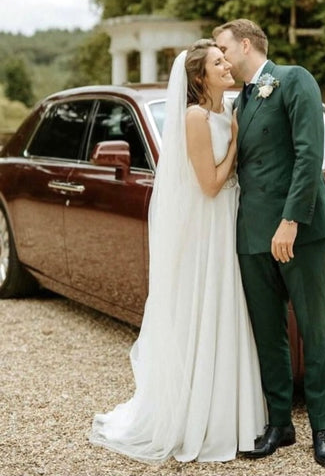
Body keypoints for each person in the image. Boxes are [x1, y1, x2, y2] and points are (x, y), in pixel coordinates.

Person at [89, 39, 266, 463]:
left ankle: (233, 414)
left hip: (229, 221)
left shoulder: (229, 108)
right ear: (200, 77)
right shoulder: (195, 117)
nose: (227, 66)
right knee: (208, 307)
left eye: (226, 60)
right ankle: (199, 418)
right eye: (218, 63)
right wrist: (238, 144)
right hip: (209, 225)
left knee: (228, 310)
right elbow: (209, 184)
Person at [213, 19, 325, 468]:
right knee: (268, 334)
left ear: (246, 44)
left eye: (223, 48)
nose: (221, 56)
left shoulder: (292, 79)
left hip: (300, 231)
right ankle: (280, 424)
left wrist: (290, 221)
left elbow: (309, 153)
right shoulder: (239, 102)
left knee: (313, 329)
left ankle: (322, 428)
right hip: (252, 234)